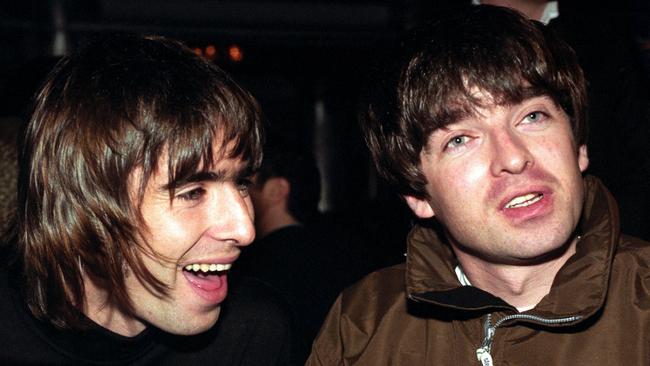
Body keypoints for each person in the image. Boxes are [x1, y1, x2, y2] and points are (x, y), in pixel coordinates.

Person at [307, 5, 650, 365]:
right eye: (460, 140)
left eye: (532, 116)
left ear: (578, 146)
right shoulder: (363, 326)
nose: (513, 158)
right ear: (418, 194)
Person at [0, 34, 291, 364]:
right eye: (192, 192)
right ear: (84, 205)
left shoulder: (251, 334)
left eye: (241, 183)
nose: (244, 229)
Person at [234, 146, 339, 364]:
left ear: (276, 190)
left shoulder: (258, 267)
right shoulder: (336, 255)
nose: (236, 195)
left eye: (243, 183)